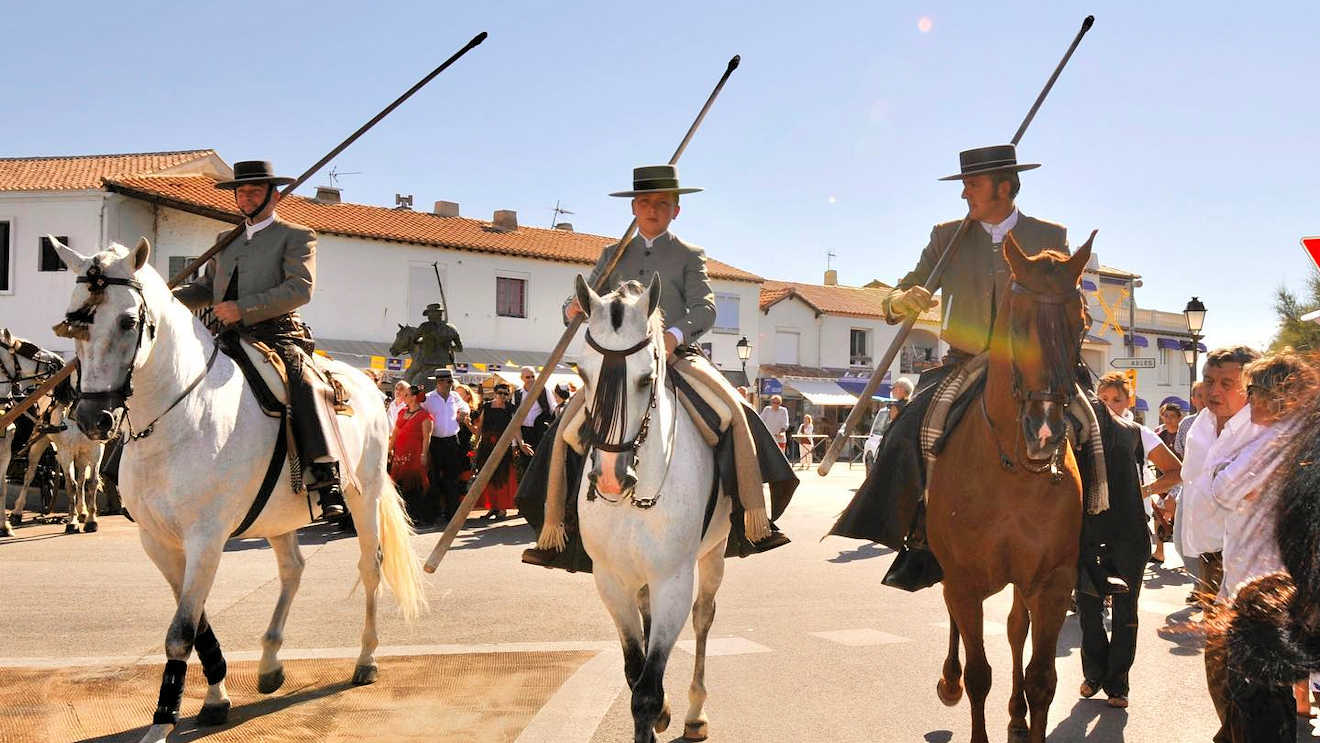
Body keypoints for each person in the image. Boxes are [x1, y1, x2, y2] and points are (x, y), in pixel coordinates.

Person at [830, 143, 1085, 591]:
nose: (964, 193)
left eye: (973, 183)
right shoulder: (946, 235)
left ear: (1004, 186)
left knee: (1104, 433)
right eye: (964, 184)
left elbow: (1066, 294)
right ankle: (919, 536)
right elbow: (905, 289)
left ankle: (1100, 546)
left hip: (1035, 364)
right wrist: (900, 300)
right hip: (962, 361)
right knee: (906, 431)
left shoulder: (1051, 235)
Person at [519, 164, 796, 570]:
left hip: (676, 356)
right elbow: (583, 302)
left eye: (662, 204)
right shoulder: (612, 255)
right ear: (634, 207)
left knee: (735, 412)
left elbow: (705, 308)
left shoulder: (688, 256)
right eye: (646, 203)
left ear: (675, 211)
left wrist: (674, 336)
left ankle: (750, 517)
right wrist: (572, 307)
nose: (653, 210)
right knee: (565, 427)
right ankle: (558, 528)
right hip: (621, 361)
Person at [174, 160, 345, 519]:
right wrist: (163, 296)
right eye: (241, 191)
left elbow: (300, 288)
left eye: (254, 191)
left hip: (278, 333)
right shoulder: (225, 240)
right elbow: (206, 288)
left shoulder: (297, 235)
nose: (246, 197)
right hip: (227, 335)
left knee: (304, 384)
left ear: (274, 195)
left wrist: (243, 308)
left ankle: (324, 473)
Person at [1202, 350, 1317, 742]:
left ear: (1278, 397)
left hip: (1266, 600)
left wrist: (1223, 473)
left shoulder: (1274, 443)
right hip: (1259, 593)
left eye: (1252, 391)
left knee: (1259, 702)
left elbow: (1222, 488)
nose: (1249, 400)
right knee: (1261, 697)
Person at [1077, 372, 1182, 709]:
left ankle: (1118, 684)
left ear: (1129, 402)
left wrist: (1145, 491)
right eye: (1103, 399)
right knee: (1088, 610)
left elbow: (1176, 470)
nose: (1109, 406)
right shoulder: (1081, 436)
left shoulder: (1140, 433)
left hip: (1130, 532)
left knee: (1126, 611)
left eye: (1116, 399)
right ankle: (1093, 675)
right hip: (1089, 531)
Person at [473, 383, 531, 519]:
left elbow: (516, 427)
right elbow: (480, 427)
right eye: (500, 393)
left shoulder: (511, 408)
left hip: (503, 447)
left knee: (503, 478)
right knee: (488, 477)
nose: (503, 396)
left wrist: (521, 443)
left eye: (506, 394)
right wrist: (476, 444)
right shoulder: (486, 407)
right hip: (487, 446)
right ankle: (492, 507)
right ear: (494, 393)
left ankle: (502, 509)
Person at [421, 369, 471, 525]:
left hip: (451, 441)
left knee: (452, 479)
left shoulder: (455, 396)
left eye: (451, 381)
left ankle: (452, 514)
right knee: (433, 478)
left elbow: (466, 407)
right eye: (449, 381)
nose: (451, 384)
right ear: (439, 382)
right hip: (434, 442)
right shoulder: (428, 398)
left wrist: (462, 413)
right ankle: (433, 514)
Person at [388, 385, 432, 522]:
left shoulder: (425, 416)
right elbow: (395, 431)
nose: (403, 397)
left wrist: (424, 455)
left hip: (415, 454)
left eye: (406, 395)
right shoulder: (402, 412)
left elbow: (427, 437)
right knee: (398, 483)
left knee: (414, 484)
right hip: (400, 453)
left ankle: (415, 515)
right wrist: (390, 448)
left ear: (414, 397)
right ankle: (400, 515)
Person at [515, 366, 555, 451]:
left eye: (533, 376)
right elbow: (514, 418)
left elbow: (553, 410)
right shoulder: (517, 394)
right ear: (522, 378)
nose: (531, 379)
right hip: (524, 432)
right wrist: (516, 442)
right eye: (528, 377)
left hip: (540, 431)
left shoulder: (544, 390)